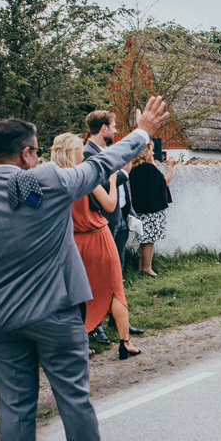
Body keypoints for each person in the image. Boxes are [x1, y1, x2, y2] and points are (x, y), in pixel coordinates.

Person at [0, 96, 169, 441]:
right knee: (73, 395)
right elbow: (103, 164)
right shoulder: (49, 181)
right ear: (26, 153)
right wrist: (142, 130)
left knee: (14, 406)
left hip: (1, 319)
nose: (38, 158)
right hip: (55, 311)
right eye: (35, 152)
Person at [50, 133, 142, 360]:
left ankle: (80, 344)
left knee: (76, 295)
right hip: (98, 237)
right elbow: (110, 205)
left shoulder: (53, 180)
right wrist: (112, 182)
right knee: (114, 290)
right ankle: (125, 342)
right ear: (75, 152)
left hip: (72, 242)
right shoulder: (84, 177)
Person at [83, 110, 143, 344]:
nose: (116, 130)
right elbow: (97, 187)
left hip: (117, 219)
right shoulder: (88, 154)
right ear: (104, 128)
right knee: (98, 278)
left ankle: (118, 320)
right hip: (100, 223)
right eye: (114, 125)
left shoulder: (104, 152)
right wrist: (120, 176)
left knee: (116, 277)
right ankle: (95, 325)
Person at [129, 141, 175, 277]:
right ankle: (147, 268)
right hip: (151, 210)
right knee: (150, 239)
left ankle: (141, 266)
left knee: (143, 239)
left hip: (140, 209)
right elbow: (164, 181)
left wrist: (152, 162)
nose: (153, 153)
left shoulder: (135, 168)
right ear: (144, 152)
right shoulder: (149, 168)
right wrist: (171, 167)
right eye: (151, 150)